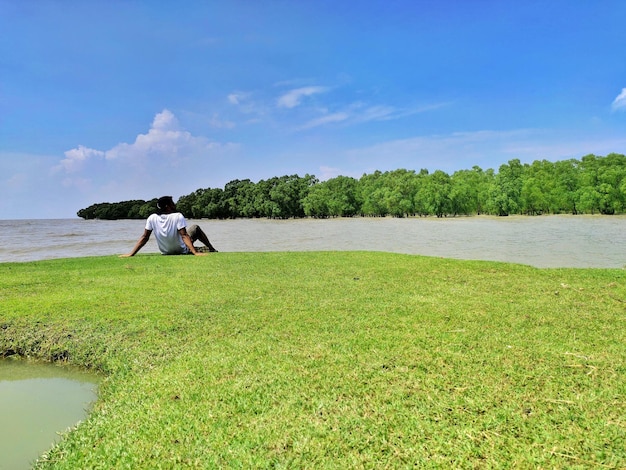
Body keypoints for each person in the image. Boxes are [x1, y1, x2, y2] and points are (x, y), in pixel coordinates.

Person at [120, 196, 218, 258]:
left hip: (165, 252)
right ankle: (211, 248)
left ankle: (203, 249)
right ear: (167, 206)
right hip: (182, 250)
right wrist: (195, 252)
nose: (174, 205)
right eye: (172, 203)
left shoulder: (152, 217)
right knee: (195, 228)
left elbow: (144, 237)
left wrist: (131, 253)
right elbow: (184, 236)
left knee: (191, 239)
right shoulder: (178, 216)